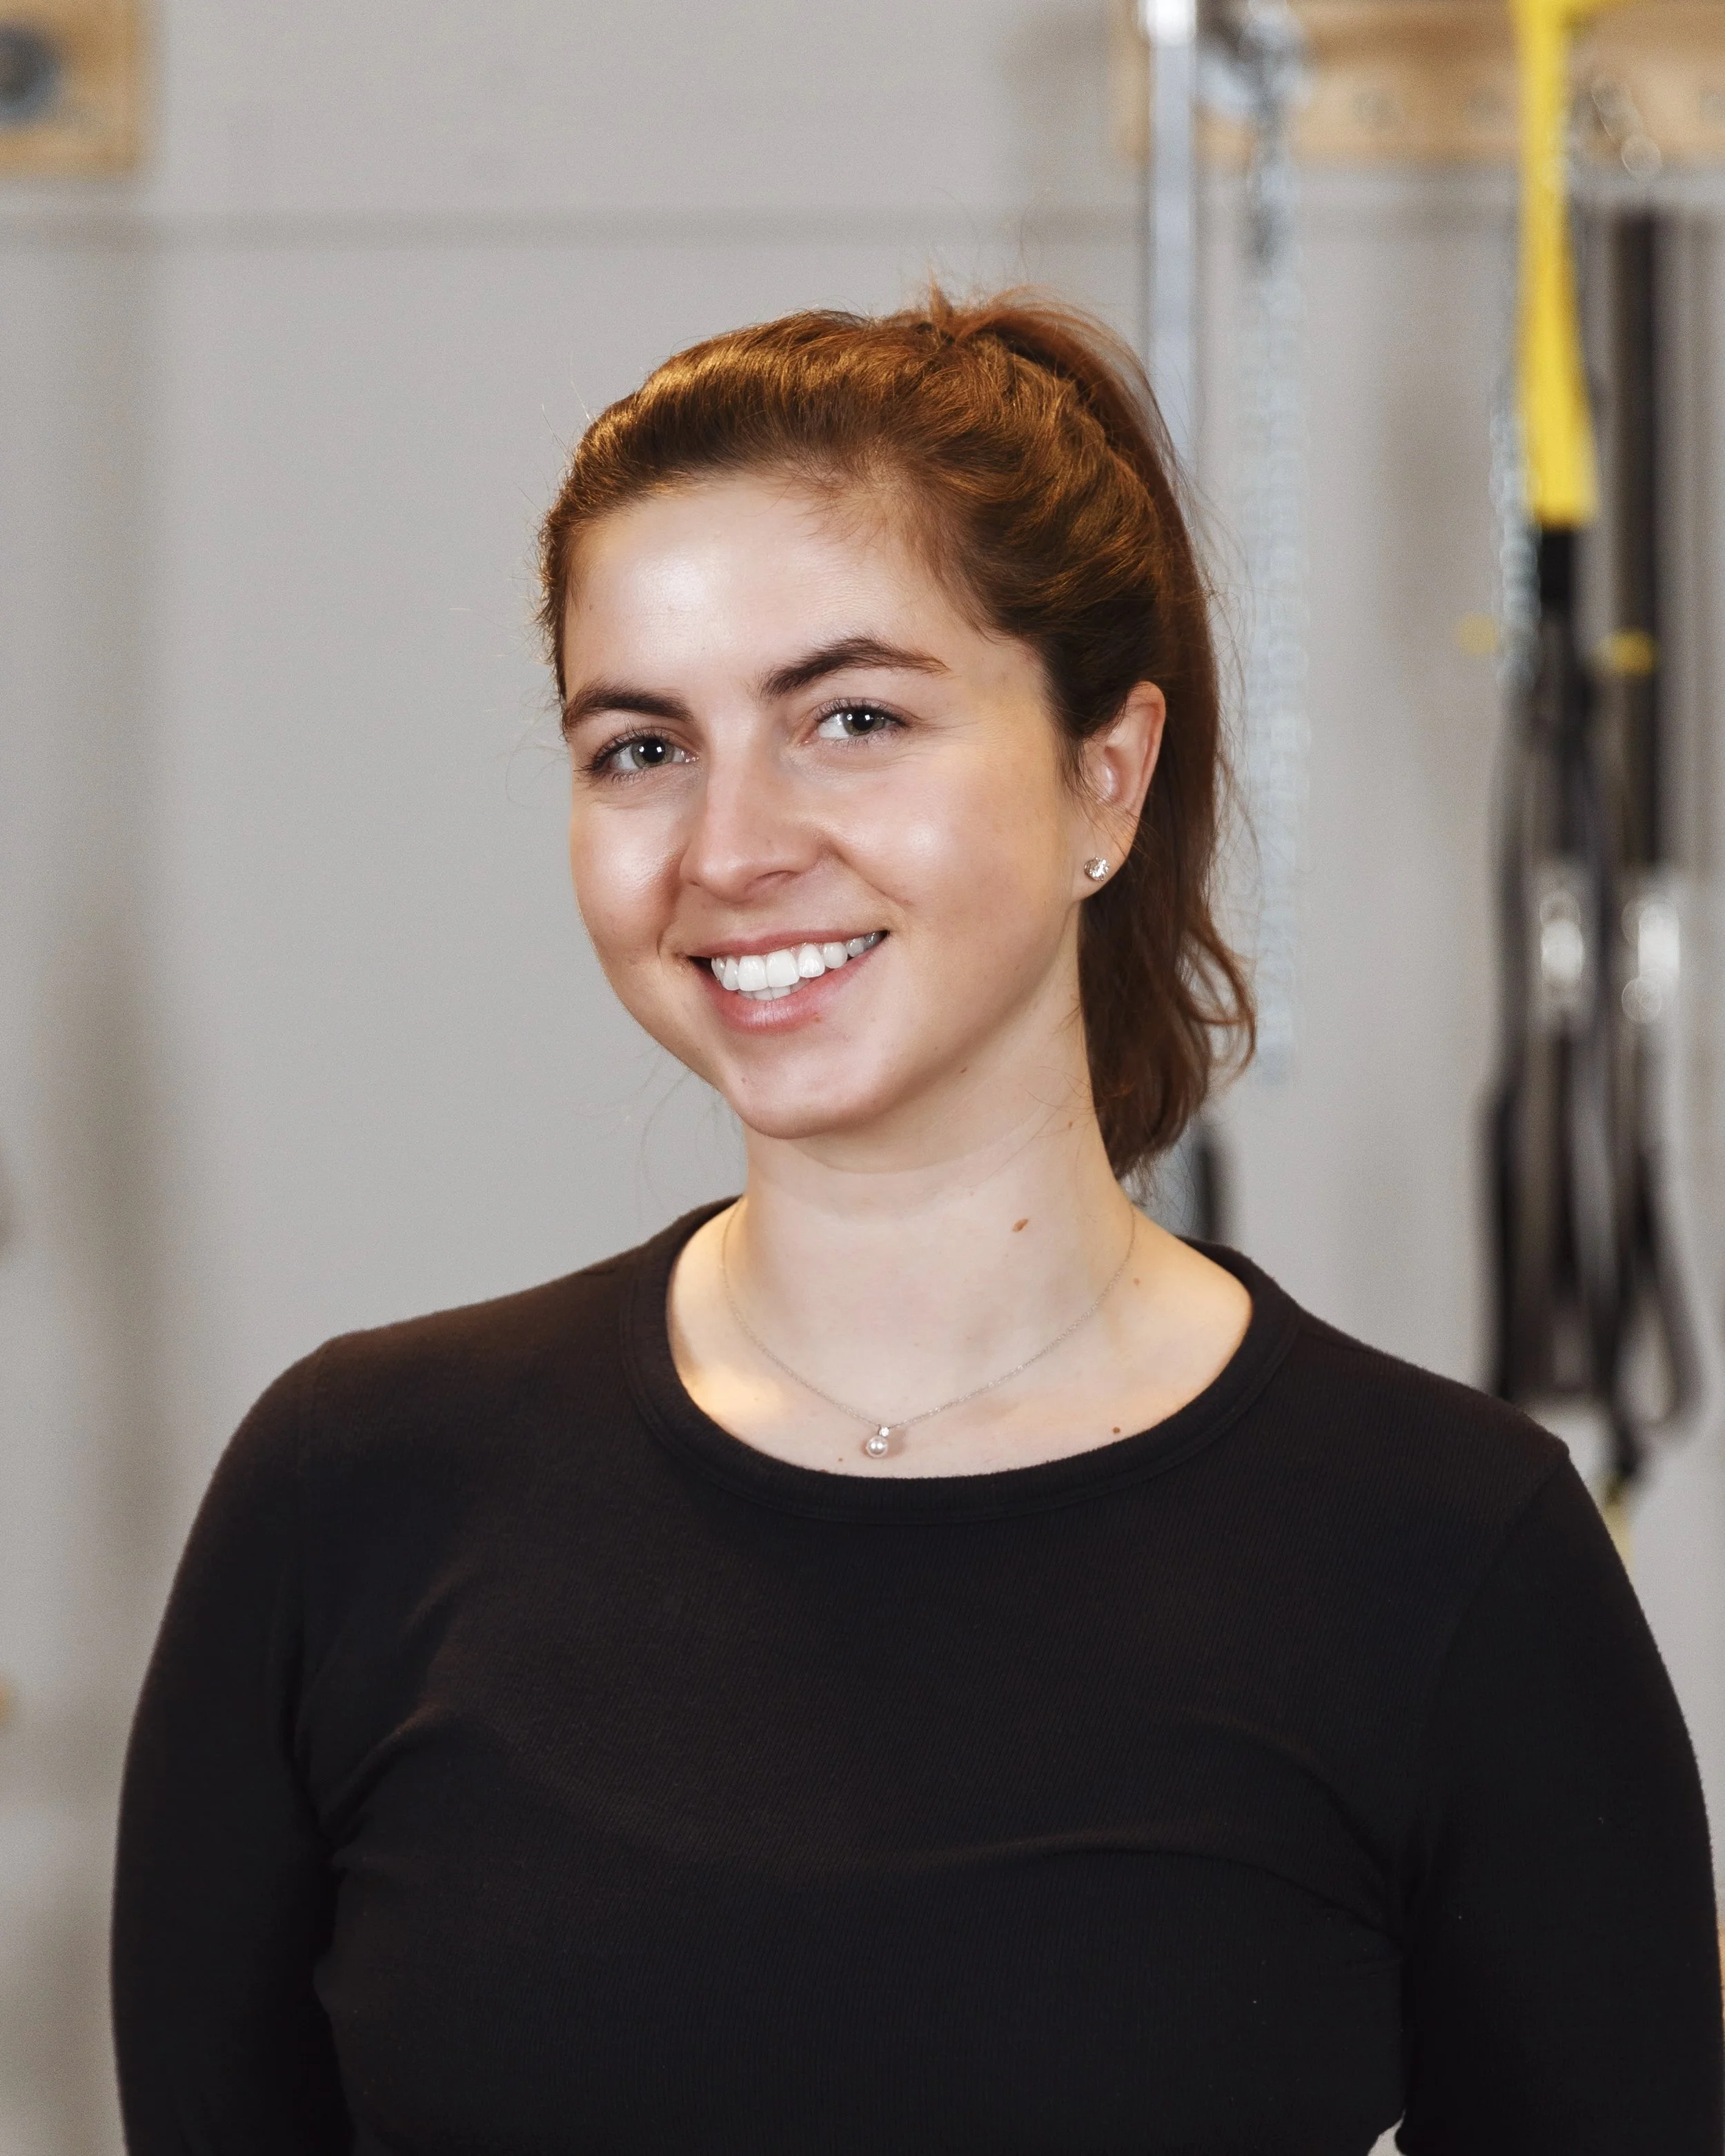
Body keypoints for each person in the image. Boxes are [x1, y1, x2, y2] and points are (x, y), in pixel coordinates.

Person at [112, 292, 1722, 2154]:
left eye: (849, 718)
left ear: (1102, 774)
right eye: (640, 747)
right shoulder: (353, 1497)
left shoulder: (1449, 1554)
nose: (727, 849)